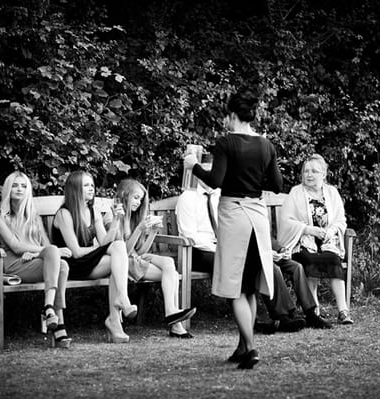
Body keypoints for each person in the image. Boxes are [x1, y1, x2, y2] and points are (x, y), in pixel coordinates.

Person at [184, 86, 281, 369]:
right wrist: (252, 184)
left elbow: (215, 180)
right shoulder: (266, 145)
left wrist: (193, 166)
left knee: (236, 289)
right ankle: (242, 346)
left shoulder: (225, 142)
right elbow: (276, 185)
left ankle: (251, 348)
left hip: (234, 217)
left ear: (231, 115)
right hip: (257, 217)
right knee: (249, 288)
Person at [175, 175, 331, 333]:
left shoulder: (224, 196)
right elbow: (190, 235)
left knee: (277, 265)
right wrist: (225, 249)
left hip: (230, 247)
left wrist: (264, 250)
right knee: (239, 266)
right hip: (200, 251)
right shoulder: (188, 198)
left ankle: (298, 315)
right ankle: (264, 320)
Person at [51, 171, 138, 344]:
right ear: (75, 189)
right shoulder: (64, 214)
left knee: (118, 254)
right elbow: (75, 252)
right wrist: (97, 249)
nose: (91, 188)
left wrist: (116, 222)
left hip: (89, 262)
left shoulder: (93, 211)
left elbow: (105, 241)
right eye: (86, 185)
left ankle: (116, 320)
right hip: (71, 266)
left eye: (92, 185)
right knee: (117, 258)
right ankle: (120, 307)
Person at [0, 172, 72, 348]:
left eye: (23, 186)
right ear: (8, 189)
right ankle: (57, 322)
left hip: (34, 261)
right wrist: (44, 251)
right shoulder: (0, 217)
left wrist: (37, 254)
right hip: (14, 265)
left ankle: (49, 309)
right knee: (57, 259)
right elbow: (16, 247)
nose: (19, 189)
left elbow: (46, 245)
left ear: (28, 190)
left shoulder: (33, 217)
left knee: (63, 265)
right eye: (15, 185)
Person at [115, 178, 197, 338]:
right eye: (136, 198)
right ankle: (175, 322)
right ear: (125, 195)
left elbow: (140, 250)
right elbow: (123, 252)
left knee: (168, 262)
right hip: (124, 262)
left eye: (141, 199)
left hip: (136, 257)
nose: (139, 203)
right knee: (171, 275)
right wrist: (139, 229)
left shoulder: (134, 217)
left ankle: (172, 313)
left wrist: (152, 233)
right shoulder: (117, 217)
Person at [278, 154, 354, 325]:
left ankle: (343, 311)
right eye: (306, 171)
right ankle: (314, 310)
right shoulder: (296, 193)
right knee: (309, 259)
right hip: (303, 241)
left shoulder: (332, 193)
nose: (309, 175)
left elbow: (341, 220)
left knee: (333, 259)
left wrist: (331, 231)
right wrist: (309, 230)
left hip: (327, 241)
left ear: (323, 174)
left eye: (314, 171)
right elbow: (286, 221)